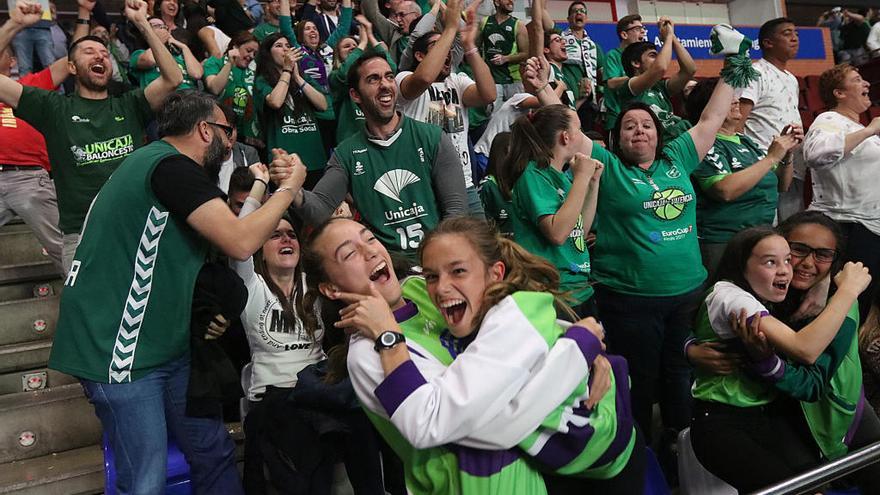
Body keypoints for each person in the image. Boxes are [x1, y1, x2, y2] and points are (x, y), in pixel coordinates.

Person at [48, 90, 308, 494]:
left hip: (164, 347)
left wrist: (259, 187)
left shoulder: (159, 166)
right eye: (226, 131)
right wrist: (288, 189)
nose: (230, 141)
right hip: (119, 350)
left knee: (212, 450)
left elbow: (224, 234)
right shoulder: (170, 166)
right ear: (206, 130)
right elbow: (241, 241)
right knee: (145, 480)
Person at [520, 24, 743, 463]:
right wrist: (545, 88)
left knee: (682, 376)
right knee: (637, 381)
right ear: (616, 138)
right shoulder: (605, 163)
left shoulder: (678, 157)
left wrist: (734, 62)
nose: (639, 131)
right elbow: (570, 127)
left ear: (660, 133)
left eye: (647, 125)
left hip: (686, 293)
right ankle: (639, 459)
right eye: (629, 127)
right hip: (629, 299)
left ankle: (684, 453)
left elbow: (712, 119)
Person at [299, 216, 643, 493]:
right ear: (331, 288)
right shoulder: (369, 353)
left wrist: (578, 345)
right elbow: (474, 422)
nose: (371, 252)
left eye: (369, 238)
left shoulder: (422, 288)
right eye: (349, 253)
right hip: (479, 479)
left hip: (543, 464)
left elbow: (512, 338)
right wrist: (573, 356)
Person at [686, 222, 876, 492]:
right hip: (771, 417)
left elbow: (810, 384)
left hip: (836, 414)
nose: (804, 263)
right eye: (798, 250)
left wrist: (846, 292)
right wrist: (691, 348)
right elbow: (703, 317)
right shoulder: (757, 294)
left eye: (822, 254)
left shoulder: (840, 302)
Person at [234, 164, 386, 494]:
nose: (286, 239)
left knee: (361, 418)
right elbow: (240, 234)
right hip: (275, 399)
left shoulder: (316, 287)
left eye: (291, 234)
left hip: (318, 393)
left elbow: (336, 243)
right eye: (275, 235)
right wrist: (261, 185)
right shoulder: (251, 288)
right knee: (297, 441)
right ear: (260, 248)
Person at [0, 0, 182, 273]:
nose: (99, 56)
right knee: (85, 314)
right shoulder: (52, 108)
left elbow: (173, 78)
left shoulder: (129, 104)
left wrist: (143, 23)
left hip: (135, 231)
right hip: (81, 237)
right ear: (71, 67)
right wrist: (13, 24)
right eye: (88, 51)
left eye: (104, 53)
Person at [271, 52, 467, 257]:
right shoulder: (346, 154)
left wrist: (439, 260)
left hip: (435, 259)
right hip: (384, 267)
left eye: (389, 77)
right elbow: (319, 211)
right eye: (373, 79)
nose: (385, 84)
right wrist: (292, 186)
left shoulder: (432, 137)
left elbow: (456, 212)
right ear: (355, 95)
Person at [0, 3, 89, 276]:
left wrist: (84, 15)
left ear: (13, 61)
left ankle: (89, 302)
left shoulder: (31, 85)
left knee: (65, 249)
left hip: (30, 179)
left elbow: (72, 60)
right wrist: (14, 24)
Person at [684, 78, 799, 277]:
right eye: (730, 98)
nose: (737, 100)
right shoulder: (703, 143)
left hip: (760, 238)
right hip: (723, 242)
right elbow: (724, 190)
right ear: (712, 106)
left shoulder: (747, 142)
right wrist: (771, 157)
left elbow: (782, 185)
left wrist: (786, 154)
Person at [494, 104, 600, 317]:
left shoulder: (562, 176)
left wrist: (592, 183)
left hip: (578, 287)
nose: (582, 136)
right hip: (552, 290)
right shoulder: (533, 175)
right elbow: (557, 233)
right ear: (565, 137)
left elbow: (579, 229)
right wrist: (581, 177)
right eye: (578, 129)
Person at [396, 0, 496, 217]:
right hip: (425, 185)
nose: (447, 51)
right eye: (438, 46)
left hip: (464, 181)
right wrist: (450, 28)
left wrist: (469, 46)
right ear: (420, 56)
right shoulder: (404, 78)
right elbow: (424, 77)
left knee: (481, 246)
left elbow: (489, 94)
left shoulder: (457, 80)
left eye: (449, 47)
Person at [803, 63, 880, 324]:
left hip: (870, 226)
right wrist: (868, 130)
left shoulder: (864, 130)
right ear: (839, 93)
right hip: (846, 227)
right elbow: (814, 154)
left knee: (863, 306)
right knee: (846, 308)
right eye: (857, 79)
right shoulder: (829, 120)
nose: (866, 84)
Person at [740, 17, 804, 222]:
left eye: (796, 34)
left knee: (790, 231)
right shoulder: (755, 72)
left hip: (790, 165)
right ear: (768, 43)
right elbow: (739, 121)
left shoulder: (792, 78)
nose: (794, 38)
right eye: (787, 34)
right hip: (762, 166)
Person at [254, 33, 328, 185]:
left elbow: (323, 104)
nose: (285, 50)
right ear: (268, 53)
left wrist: (298, 78)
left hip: (315, 160)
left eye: (288, 46)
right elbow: (275, 101)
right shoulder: (262, 80)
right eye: (279, 46)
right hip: (284, 164)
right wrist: (287, 71)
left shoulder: (302, 77)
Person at [616, 17, 696, 143]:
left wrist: (672, 36)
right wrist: (667, 38)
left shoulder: (660, 86)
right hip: (659, 145)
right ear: (636, 63)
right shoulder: (629, 86)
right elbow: (660, 68)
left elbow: (689, 70)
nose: (659, 59)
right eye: (653, 56)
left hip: (679, 140)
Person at [329, 15, 395, 143]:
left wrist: (370, 35)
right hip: (351, 141)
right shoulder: (335, 77)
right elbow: (345, 74)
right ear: (337, 53)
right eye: (346, 46)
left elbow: (390, 67)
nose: (352, 48)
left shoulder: (367, 75)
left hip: (378, 137)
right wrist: (362, 44)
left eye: (355, 45)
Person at [204, 31, 260, 144]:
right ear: (235, 47)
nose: (251, 56)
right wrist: (229, 63)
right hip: (219, 129)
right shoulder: (215, 62)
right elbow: (214, 88)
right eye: (249, 51)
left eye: (255, 53)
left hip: (247, 135)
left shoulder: (253, 71)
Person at [560, 2, 604, 129]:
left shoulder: (594, 47)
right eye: (575, 11)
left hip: (588, 102)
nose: (579, 13)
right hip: (568, 99)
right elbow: (542, 18)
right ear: (568, 19)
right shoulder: (560, 39)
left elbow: (603, 77)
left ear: (586, 18)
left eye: (582, 11)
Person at [478, 0, 527, 111]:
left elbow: (525, 54)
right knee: (493, 118)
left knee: (516, 118)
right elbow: (476, 48)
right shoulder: (484, 22)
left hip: (513, 81)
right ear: (497, 2)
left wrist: (506, 58)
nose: (511, 1)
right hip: (491, 80)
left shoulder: (518, 25)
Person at [600, 14, 646, 132]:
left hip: (640, 119)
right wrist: (640, 77)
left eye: (642, 28)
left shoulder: (643, 58)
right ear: (624, 34)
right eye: (637, 29)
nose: (642, 32)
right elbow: (611, 83)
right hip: (617, 120)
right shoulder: (613, 55)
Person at [130, 17, 202, 89]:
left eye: (163, 26)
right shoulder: (139, 54)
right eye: (156, 26)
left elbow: (196, 74)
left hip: (191, 95)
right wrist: (158, 41)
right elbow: (150, 60)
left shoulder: (180, 55)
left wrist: (184, 47)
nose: (161, 29)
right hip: (165, 96)